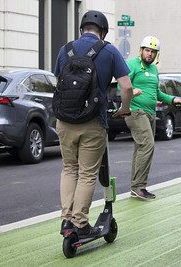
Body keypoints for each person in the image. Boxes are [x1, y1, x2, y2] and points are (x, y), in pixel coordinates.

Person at [54, 10, 133, 238]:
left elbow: (59, 80)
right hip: (93, 121)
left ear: (82, 29)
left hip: (65, 120)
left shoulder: (65, 50)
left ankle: (66, 221)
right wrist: (124, 109)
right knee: (88, 173)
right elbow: (126, 87)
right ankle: (80, 224)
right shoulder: (109, 50)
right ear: (103, 31)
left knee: (70, 169)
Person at [123, 36, 181, 200]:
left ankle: (135, 187)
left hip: (150, 112)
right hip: (135, 111)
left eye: (153, 52)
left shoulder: (154, 70)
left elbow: (157, 93)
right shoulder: (132, 64)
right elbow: (122, 84)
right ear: (141, 50)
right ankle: (139, 186)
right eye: (147, 50)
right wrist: (131, 91)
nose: (149, 54)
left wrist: (173, 99)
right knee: (148, 145)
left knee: (140, 148)